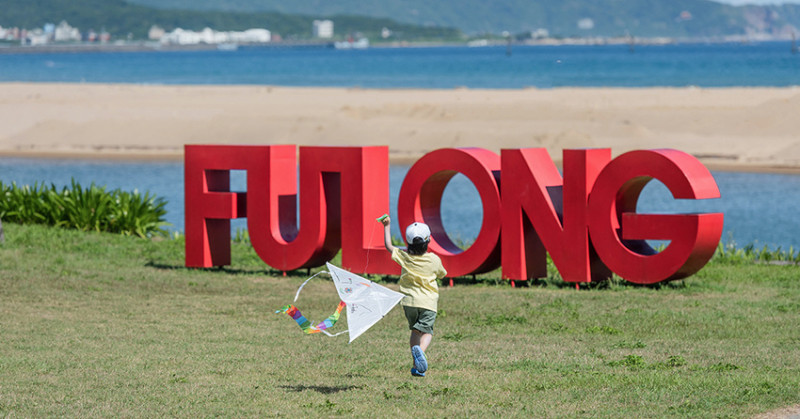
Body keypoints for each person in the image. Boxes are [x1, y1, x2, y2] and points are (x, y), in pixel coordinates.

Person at [380, 216, 447, 377]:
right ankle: (421, 352)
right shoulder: (433, 260)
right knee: (427, 332)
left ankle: (417, 367)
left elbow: (389, 246)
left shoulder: (404, 257)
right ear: (428, 240)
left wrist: (387, 226)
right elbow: (442, 274)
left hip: (409, 302)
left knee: (415, 332)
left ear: (409, 242)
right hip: (428, 303)